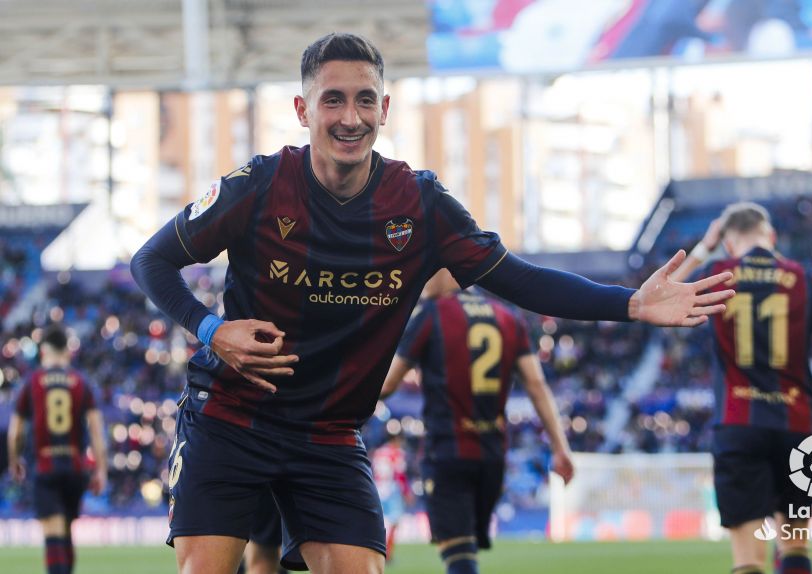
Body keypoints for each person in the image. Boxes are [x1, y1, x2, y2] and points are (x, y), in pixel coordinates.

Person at [129, 32, 734, 574]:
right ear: (302, 109)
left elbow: (517, 278)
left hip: (329, 434)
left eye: (365, 100)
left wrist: (629, 304)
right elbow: (150, 260)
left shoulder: (419, 203)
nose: (350, 117)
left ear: (385, 110)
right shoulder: (255, 186)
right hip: (232, 418)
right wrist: (211, 329)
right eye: (333, 100)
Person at [671, 202, 812, 574]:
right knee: (795, 547)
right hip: (796, 428)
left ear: (727, 243)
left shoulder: (716, 272)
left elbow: (659, 292)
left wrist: (703, 248)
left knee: (748, 560)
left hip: (738, 427)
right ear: (771, 237)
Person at [381, 269, 575, 574]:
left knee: (458, 555)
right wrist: (561, 448)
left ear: (447, 273)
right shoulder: (508, 317)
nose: (418, 281)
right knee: (464, 548)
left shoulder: (430, 315)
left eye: (426, 272)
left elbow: (386, 386)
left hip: (448, 452)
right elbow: (537, 385)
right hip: (492, 458)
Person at [6, 323, 108, 574]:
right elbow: (97, 431)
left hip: (45, 466)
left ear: (44, 352)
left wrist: (14, 459)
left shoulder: (33, 381)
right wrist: (101, 471)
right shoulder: (81, 382)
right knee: (66, 532)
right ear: (67, 352)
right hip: (75, 469)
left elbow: (16, 431)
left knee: (53, 535)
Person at [370, 430, 413, 563]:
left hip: (377, 487)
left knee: (378, 522)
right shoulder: (397, 453)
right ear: (397, 439)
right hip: (392, 488)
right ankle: (387, 552)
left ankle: (375, 550)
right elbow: (399, 474)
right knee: (394, 522)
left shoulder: (378, 452)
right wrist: (406, 492)